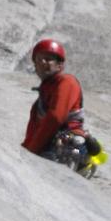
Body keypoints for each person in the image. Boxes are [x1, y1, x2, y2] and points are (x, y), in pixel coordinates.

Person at [22, 38, 101, 169]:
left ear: (59, 65)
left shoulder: (66, 82)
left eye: (48, 59)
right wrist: (25, 152)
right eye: (39, 59)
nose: (42, 62)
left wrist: (30, 152)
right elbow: (33, 131)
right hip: (50, 146)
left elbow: (55, 117)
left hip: (66, 147)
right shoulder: (40, 102)